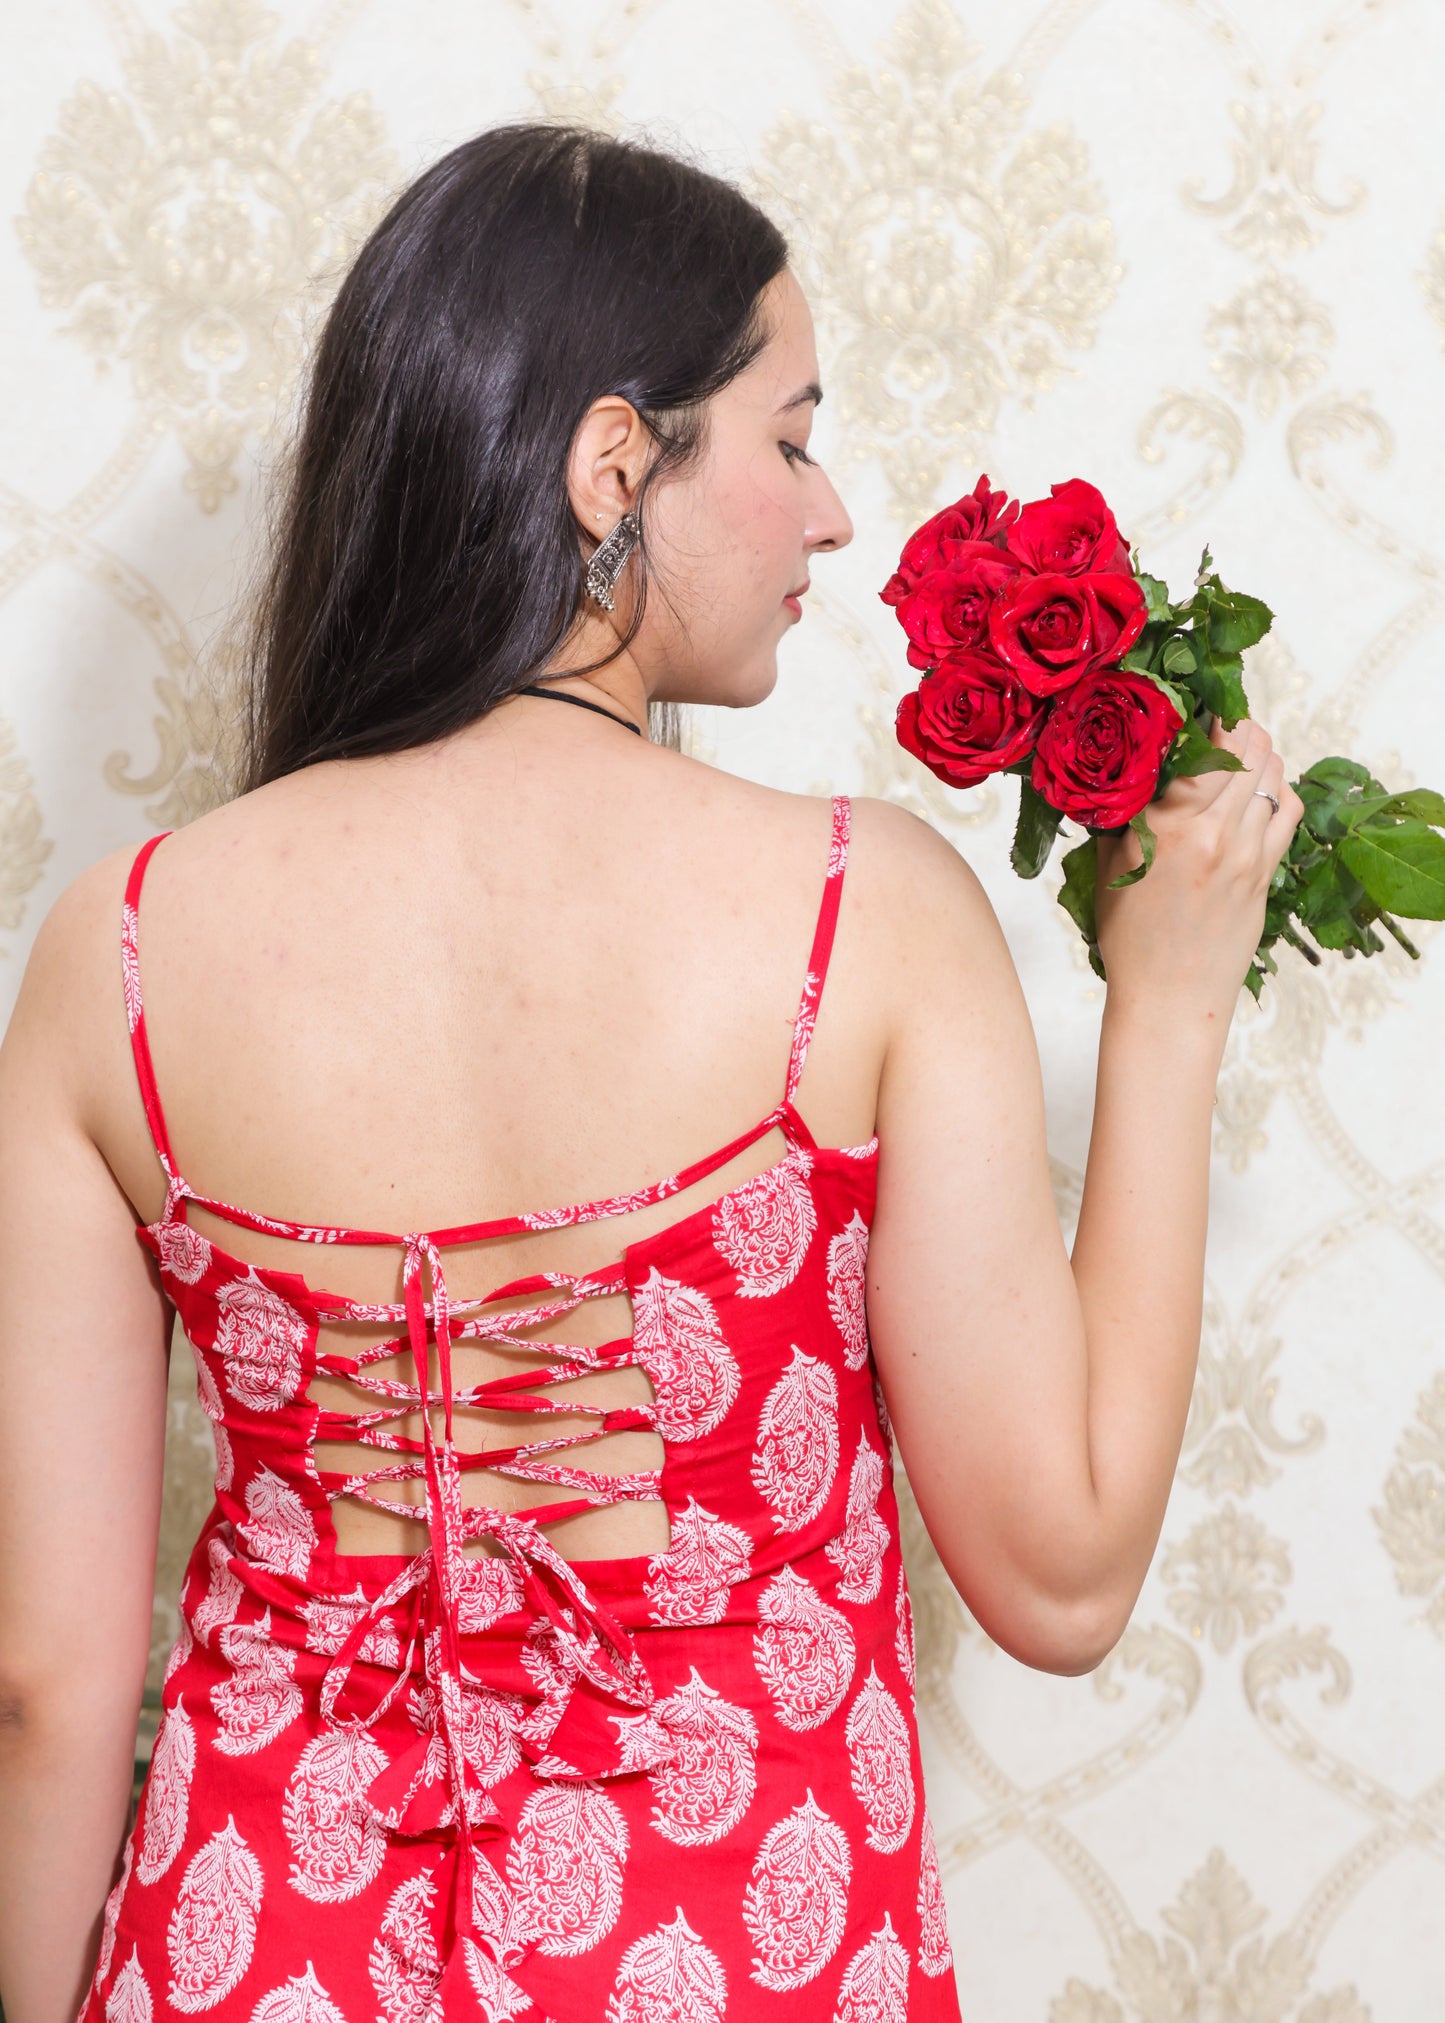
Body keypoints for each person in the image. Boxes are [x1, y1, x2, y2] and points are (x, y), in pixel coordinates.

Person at [0, 121, 1302, 2023]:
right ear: (618, 461)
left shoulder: (116, 948)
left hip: (248, 1951)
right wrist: (1169, 1007)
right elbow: (1064, 1578)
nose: (833, 510)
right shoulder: (858, 912)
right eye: (786, 437)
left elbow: (44, 1686)